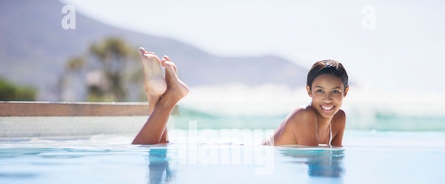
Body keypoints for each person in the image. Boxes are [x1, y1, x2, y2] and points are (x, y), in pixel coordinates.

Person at [132, 49, 348, 147]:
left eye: (335, 92)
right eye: (320, 91)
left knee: (158, 146)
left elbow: (335, 157)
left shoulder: (339, 119)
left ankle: (155, 95)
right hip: (240, 152)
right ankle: (169, 97)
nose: (327, 99)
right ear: (308, 91)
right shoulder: (305, 116)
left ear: (345, 92)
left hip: (245, 149)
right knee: (142, 146)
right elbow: (318, 162)